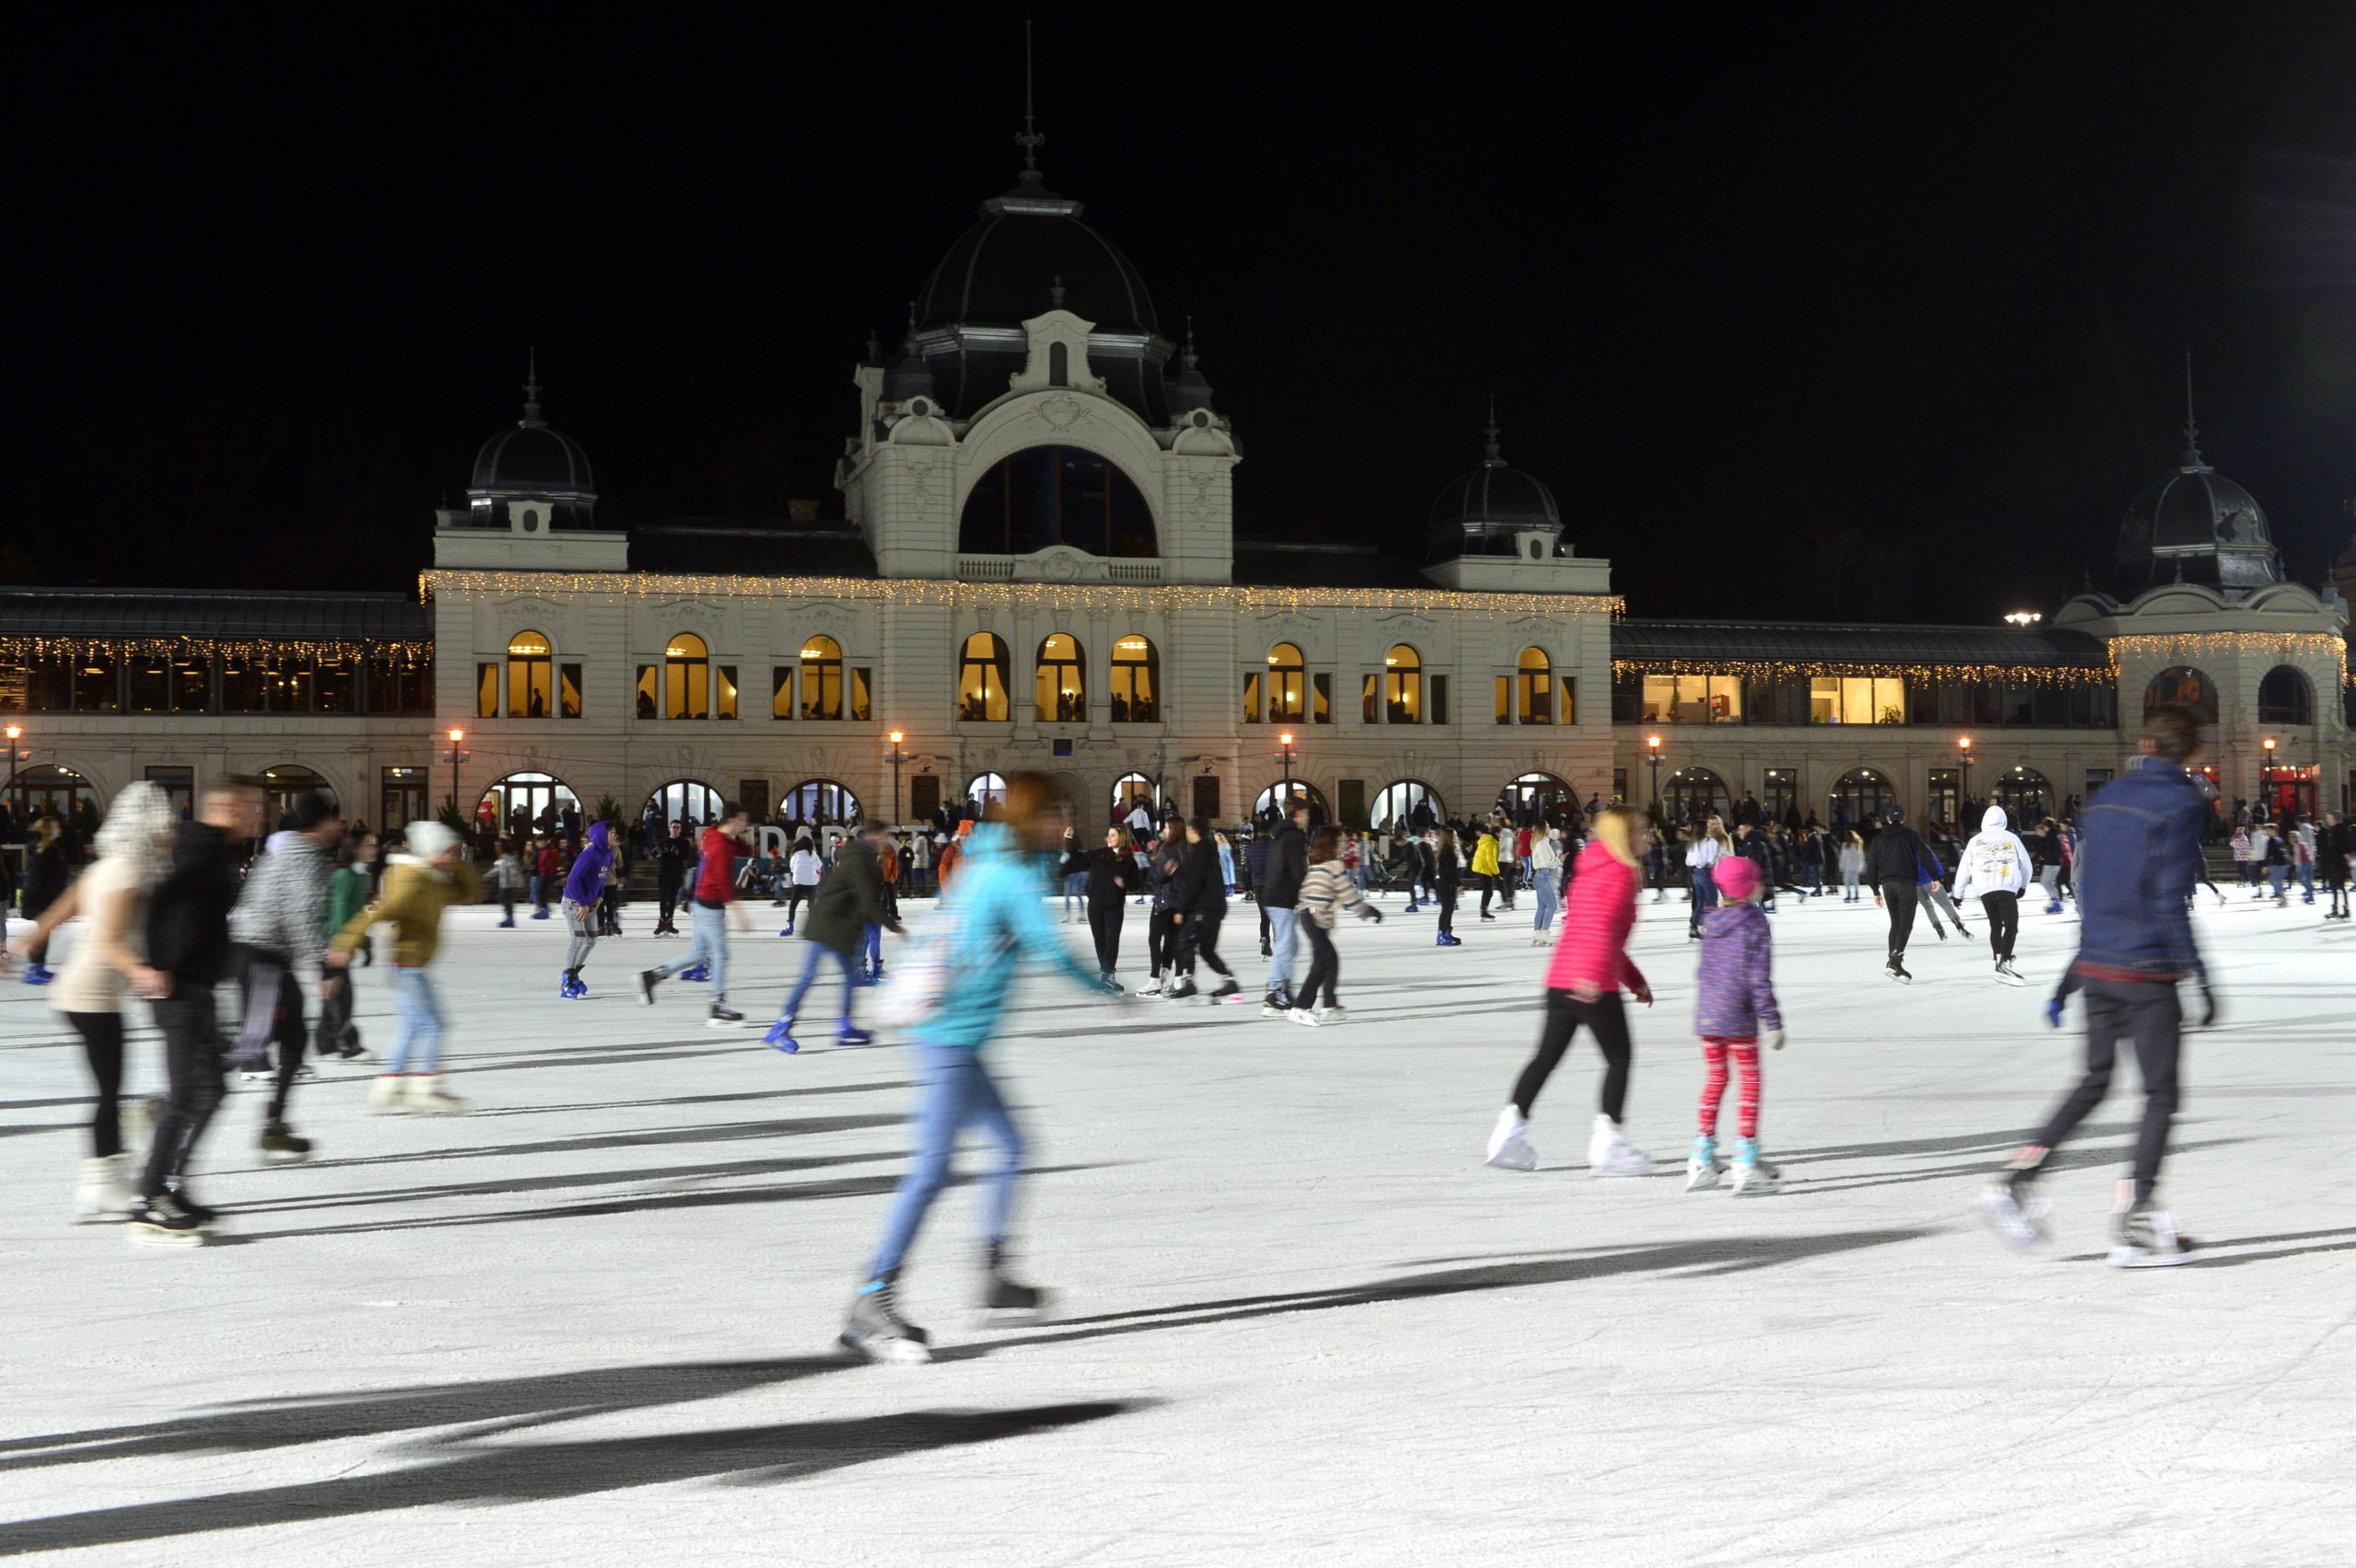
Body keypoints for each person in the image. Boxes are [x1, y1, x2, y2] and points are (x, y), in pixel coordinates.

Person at [838, 773, 1126, 1364]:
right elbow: (1046, 947)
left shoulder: (989, 862)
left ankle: (994, 1273)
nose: (1061, 826)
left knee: (1013, 1147)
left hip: (955, 1032)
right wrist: (1106, 990)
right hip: (948, 1033)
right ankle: (874, 1295)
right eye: (1052, 815)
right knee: (933, 1170)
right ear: (1030, 819)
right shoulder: (1011, 874)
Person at [1979, 704, 2212, 1268]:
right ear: (2193, 753)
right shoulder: (2184, 802)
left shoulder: (2105, 800)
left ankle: (2018, 1177)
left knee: (2094, 1081)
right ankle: (2133, 1222)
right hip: (2146, 968)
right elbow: (2167, 898)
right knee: (2160, 1094)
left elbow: (2093, 893)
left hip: (2100, 967)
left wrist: (2070, 980)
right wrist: (2200, 974)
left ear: (2146, 743)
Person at [1485, 804, 1656, 1178]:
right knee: (1619, 1059)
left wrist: (1635, 980)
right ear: (1622, 835)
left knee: (1545, 1058)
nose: (1647, 835)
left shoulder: (1591, 869)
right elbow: (1602, 929)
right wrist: (1594, 977)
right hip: (1589, 980)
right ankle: (1609, 1144)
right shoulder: (1622, 873)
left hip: (1561, 977)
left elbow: (1600, 931)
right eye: (1640, 829)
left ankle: (1507, 1136)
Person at [33, 781, 175, 1222]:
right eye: (167, 822)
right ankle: (103, 1184)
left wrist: (25, 944)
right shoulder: (128, 872)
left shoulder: (108, 866)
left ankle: (108, 1174)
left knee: (109, 1088)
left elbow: (62, 908)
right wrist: (141, 971)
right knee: (109, 1091)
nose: (171, 829)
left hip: (83, 993)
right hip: (92, 994)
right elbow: (108, 938)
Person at [133, 775, 265, 1244]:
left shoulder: (209, 849)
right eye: (252, 808)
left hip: (196, 988)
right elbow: (161, 901)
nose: (258, 817)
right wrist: (156, 964)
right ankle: (150, 1196)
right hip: (179, 989)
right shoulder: (202, 850)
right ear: (228, 808)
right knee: (190, 1095)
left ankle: (172, 1186)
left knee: (210, 1092)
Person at [329, 819, 484, 1114]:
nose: (455, 857)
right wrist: (344, 944)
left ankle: (390, 1083)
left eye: (458, 851)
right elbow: (376, 911)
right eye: (450, 851)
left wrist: (455, 862)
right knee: (435, 1024)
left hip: (412, 964)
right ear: (431, 852)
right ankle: (426, 1086)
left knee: (413, 1026)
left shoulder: (434, 879)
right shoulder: (411, 881)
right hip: (406, 964)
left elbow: (471, 892)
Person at [227, 790, 344, 1163]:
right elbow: (300, 917)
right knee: (250, 1044)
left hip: (268, 956)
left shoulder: (287, 851)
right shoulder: (304, 858)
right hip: (260, 955)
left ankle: (275, 1124)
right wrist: (325, 965)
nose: (339, 827)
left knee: (293, 1038)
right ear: (323, 822)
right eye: (334, 820)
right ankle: (169, 1103)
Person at [1687, 855, 1784, 1195]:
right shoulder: (1755, 924)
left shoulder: (1712, 920)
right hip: (1739, 1016)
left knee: (1715, 1079)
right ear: (1749, 887)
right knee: (1749, 1081)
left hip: (1709, 1015)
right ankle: (1745, 1157)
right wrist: (1772, 1020)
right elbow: (1759, 979)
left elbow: (1705, 971)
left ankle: (1703, 1153)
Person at [768, 820, 902, 1053]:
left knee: (850, 977)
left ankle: (845, 1024)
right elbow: (869, 901)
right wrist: (895, 927)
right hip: (828, 926)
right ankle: (781, 1027)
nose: (885, 841)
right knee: (809, 976)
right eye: (883, 836)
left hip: (841, 927)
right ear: (873, 837)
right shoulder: (861, 859)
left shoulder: (861, 856)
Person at [640, 803, 753, 1025]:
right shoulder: (721, 846)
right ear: (732, 821)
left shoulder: (712, 835)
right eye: (743, 821)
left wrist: (743, 840)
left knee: (701, 954)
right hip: (710, 907)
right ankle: (717, 1004)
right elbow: (722, 883)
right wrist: (738, 911)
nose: (746, 824)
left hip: (700, 904)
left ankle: (652, 977)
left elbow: (745, 852)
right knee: (721, 956)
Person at [1288, 824, 1381, 1025]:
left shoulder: (1317, 864)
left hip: (1309, 914)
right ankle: (1300, 1007)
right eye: (1340, 841)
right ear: (1331, 844)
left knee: (1329, 959)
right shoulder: (1334, 866)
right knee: (1322, 962)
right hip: (1313, 915)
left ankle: (1329, 1004)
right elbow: (1348, 896)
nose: (1343, 844)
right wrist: (1367, 911)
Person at [1952, 804, 2034, 985]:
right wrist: (2023, 886)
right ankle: (2004, 963)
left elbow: (1964, 868)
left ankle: (1999, 959)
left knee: (1995, 925)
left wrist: (1958, 894)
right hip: (2006, 887)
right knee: (2011, 926)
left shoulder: (1976, 841)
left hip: (1985, 890)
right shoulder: (2011, 838)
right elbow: (2026, 865)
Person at [1165, 816, 1242, 1002]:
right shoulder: (1209, 851)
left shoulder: (1200, 851)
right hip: (1215, 906)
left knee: (1184, 940)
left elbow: (1195, 883)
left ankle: (1189, 982)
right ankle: (1229, 981)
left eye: (1188, 831)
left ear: (1193, 831)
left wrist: (1182, 910)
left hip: (1205, 907)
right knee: (1207, 949)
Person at [1867, 805, 1943, 984]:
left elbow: (1872, 865)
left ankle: (1892, 961)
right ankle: (1895, 962)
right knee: (1906, 924)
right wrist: (1934, 876)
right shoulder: (1911, 835)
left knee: (1896, 923)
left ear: (1887, 819)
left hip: (1888, 885)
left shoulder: (1879, 839)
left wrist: (1875, 890)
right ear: (1903, 818)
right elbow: (1925, 855)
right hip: (1906, 883)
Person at [1255, 803, 1309, 1015]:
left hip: (1274, 894)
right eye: (1305, 813)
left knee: (1291, 945)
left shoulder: (1279, 835)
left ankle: (1279, 990)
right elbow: (1297, 868)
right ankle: (1275, 990)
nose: (1307, 818)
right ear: (1298, 813)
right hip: (1283, 896)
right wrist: (1305, 894)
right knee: (1286, 944)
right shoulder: (1293, 836)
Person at [557, 819, 615, 998]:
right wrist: (582, 903)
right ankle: (567, 978)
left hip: (589, 904)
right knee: (578, 939)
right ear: (601, 835)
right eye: (611, 833)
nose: (615, 836)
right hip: (575, 903)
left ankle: (574, 975)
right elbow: (574, 879)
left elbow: (601, 878)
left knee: (590, 941)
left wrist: (599, 896)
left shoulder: (608, 854)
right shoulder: (590, 854)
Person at [1136, 824, 1187, 996]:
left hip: (1164, 900)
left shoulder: (1166, 850)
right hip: (1178, 902)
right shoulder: (1184, 849)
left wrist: (1151, 861)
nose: (1163, 828)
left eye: (1166, 826)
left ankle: (1155, 979)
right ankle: (1177, 978)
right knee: (1173, 939)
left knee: (1154, 939)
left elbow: (1159, 877)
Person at [1081, 824, 1135, 980]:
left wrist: (1124, 884)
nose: (1109, 838)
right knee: (1099, 940)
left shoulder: (1128, 860)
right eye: (1108, 835)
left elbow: (1136, 882)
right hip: (1096, 905)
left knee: (1111, 940)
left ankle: (1109, 972)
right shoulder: (1099, 855)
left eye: (1113, 835)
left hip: (1114, 907)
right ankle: (1105, 971)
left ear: (1121, 838)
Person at [1685, 814, 1728, 940]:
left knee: (1700, 902)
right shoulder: (1710, 842)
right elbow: (1712, 858)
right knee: (1712, 902)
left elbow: (1688, 861)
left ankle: (1693, 927)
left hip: (1696, 873)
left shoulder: (1693, 843)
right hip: (1707, 872)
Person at [653, 820, 690, 937]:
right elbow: (655, 854)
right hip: (664, 873)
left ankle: (670, 921)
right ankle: (662, 922)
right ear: (669, 828)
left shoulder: (684, 842)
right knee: (664, 898)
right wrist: (659, 854)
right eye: (673, 827)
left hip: (676, 872)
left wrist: (677, 853)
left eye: (678, 827)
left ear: (680, 829)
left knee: (673, 898)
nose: (675, 829)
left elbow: (687, 855)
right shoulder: (663, 842)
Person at [1530, 824, 1564, 945]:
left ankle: (1537, 934)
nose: (1550, 829)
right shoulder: (1542, 843)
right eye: (1548, 827)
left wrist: (1557, 860)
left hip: (1542, 876)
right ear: (1543, 830)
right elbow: (1547, 862)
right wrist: (1559, 860)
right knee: (1552, 906)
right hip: (1543, 876)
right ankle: (1544, 933)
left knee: (1542, 907)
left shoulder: (1542, 842)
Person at [1431, 826, 1462, 946]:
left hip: (1447, 882)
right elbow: (1449, 870)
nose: (1456, 837)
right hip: (1445, 883)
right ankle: (1442, 934)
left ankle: (1447, 931)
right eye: (1454, 835)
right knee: (1446, 909)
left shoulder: (1448, 849)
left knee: (1449, 909)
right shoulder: (1447, 850)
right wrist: (1457, 883)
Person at [487, 836, 525, 928]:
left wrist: (513, 876)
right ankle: (509, 917)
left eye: (498, 846)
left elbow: (512, 866)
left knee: (505, 899)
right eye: (495, 846)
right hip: (505, 883)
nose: (496, 848)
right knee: (502, 898)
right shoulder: (502, 857)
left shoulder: (508, 857)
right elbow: (497, 869)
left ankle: (510, 919)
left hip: (511, 883)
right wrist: (488, 875)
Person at [1472, 824, 1503, 920]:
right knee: (1488, 891)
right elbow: (1491, 859)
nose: (1501, 836)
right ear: (1497, 833)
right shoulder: (1491, 843)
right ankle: (1483, 912)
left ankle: (1484, 911)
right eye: (1500, 833)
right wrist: (1497, 873)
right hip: (1483, 868)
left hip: (1482, 867)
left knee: (1488, 891)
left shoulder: (1489, 841)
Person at [1836, 829, 1865, 902]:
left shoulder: (1845, 845)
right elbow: (1861, 856)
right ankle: (1856, 895)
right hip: (1856, 865)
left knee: (1847, 880)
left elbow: (1843, 856)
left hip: (1848, 866)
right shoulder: (1858, 844)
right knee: (1855, 880)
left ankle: (1849, 895)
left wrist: (1841, 865)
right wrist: (1862, 866)